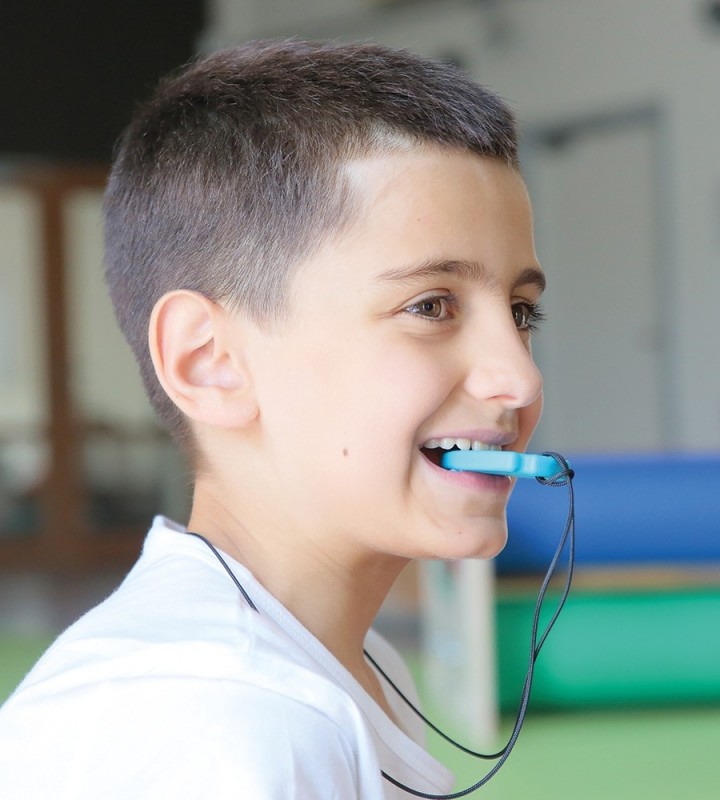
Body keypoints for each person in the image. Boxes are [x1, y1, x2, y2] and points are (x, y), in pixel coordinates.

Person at [0, 39, 546, 798]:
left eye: (522, 312)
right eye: (430, 307)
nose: (518, 377)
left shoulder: (348, 665)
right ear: (207, 360)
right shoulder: (229, 728)